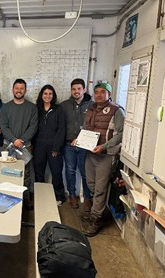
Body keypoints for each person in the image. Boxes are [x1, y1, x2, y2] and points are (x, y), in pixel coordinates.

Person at [82, 82, 125, 237]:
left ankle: (95, 219)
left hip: (106, 155)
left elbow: (121, 133)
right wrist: (78, 140)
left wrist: (105, 146)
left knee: (100, 188)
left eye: (102, 92)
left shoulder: (116, 110)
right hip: (91, 153)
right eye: (97, 92)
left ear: (109, 94)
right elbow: (87, 129)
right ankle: (98, 211)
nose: (99, 95)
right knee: (91, 185)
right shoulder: (91, 108)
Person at [0, 79, 38, 208]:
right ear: (12, 90)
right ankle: (8, 199)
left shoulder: (32, 107)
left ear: (25, 91)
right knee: (8, 172)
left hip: (25, 146)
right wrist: (14, 140)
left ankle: (26, 202)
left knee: (25, 174)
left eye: (22, 88)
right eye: (17, 88)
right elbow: (3, 126)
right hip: (8, 145)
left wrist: (21, 141)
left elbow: (33, 126)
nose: (19, 90)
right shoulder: (6, 107)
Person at [60, 78, 94, 209]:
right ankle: (72, 195)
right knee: (70, 171)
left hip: (85, 145)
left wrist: (82, 139)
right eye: (73, 89)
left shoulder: (92, 105)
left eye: (79, 89)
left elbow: (92, 126)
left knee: (86, 172)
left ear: (84, 90)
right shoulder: (64, 105)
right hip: (69, 145)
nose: (76, 91)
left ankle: (87, 197)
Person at [33, 85, 66, 205]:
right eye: (45, 93)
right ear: (41, 95)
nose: (47, 96)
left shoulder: (58, 109)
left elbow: (61, 129)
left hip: (54, 146)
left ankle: (59, 197)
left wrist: (56, 148)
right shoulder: (36, 109)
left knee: (56, 172)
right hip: (39, 145)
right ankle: (40, 195)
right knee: (38, 172)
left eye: (50, 94)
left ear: (53, 96)